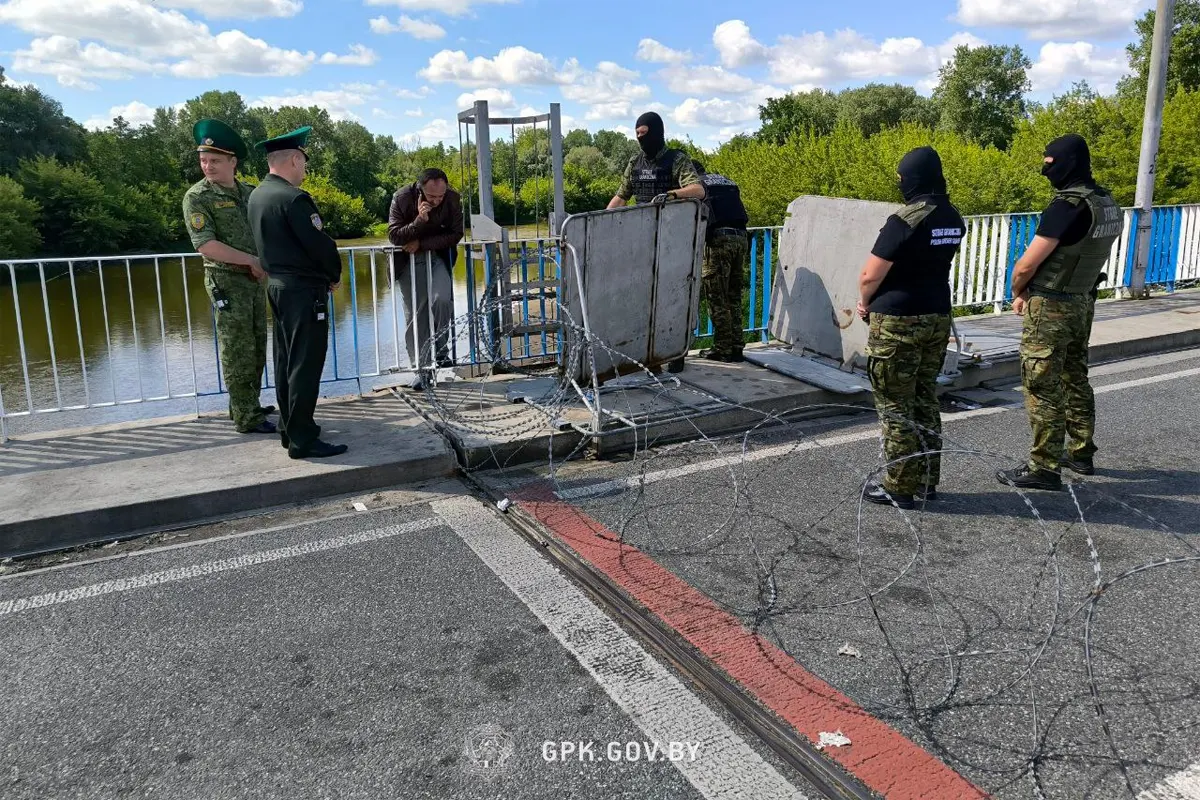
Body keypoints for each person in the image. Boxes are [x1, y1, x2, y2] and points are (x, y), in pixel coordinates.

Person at [997, 134, 1122, 491]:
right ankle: (1080, 452)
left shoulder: (1066, 206)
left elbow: (1026, 265)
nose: (1045, 167)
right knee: (1075, 376)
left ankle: (1044, 467)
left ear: (1066, 163)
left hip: (1051, 305)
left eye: (1050, 161)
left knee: (1041, 383)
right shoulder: (1105, 201)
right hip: (1083, 300)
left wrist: (1019, 291)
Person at [857, 146, 964, 509]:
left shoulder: (904, 219)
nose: (900, 183)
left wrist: (866, 303)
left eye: (902, 177)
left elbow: (871, 274)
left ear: (913, 178)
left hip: (898, 321)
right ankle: (927, 480)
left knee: (895, 405)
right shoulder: (952, 217)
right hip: (936, 316)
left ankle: (899, 485)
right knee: (923, 398)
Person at [247, 126, 347, 460]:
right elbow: (319, 246)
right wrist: (333, 274)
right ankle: (303, 438)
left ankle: (289, 428)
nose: (305, 169)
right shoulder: (293, 199)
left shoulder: (258, 194)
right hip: (303, 291)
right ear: (294, 158)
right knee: (305, 363)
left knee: (285, 360)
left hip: (277, 288)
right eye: (303, 162)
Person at [181, 119, 275, 435]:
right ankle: (247, 418)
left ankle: (247, 404)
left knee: (257, 344)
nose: (207, 166)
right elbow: (205, 245)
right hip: (226, 282)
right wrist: (250, 260)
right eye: (204, 160)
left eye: (215, 160)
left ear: (232, 161)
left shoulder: (249, 192)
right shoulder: (197, 197)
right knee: (237, 348)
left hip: (254, 280)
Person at [386, 168, 464, 374]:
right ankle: (420, 365)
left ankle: (440, 351)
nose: (437, 200)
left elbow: (456, 233)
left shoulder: (453, 199)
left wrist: (421, 243)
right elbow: (394, 236)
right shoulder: (401, 198)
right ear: (420, 189)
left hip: (438, 256)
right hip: (407, 261)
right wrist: (420, 221)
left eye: (441, 195)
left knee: (442, 300)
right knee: (417, 312)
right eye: (432, 196)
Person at [693, 160, 750, 363]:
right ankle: (736, 347)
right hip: (741, 238)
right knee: (733, 296)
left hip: (719, 240)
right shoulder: (726, 181)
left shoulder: (697, 185)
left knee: (717, 296)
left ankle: (722, 349)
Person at [607, 112, 705, 209]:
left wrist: (670, 195)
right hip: (640, 220)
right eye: (637, 133)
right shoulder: (634, 162)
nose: (639, 137)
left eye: (643, 132)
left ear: (656, 132)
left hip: (671, 220)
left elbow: (698, 190)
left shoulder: (677, 159)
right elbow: (621, 197)